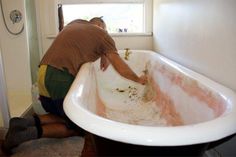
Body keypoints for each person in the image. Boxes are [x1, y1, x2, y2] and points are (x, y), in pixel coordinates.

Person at [2, 17, 147, 154]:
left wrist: (104, 53)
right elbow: (120, 66)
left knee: (61, 114)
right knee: (76, 127)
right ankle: (24, 135)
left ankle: (22, 122)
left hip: (43, 73)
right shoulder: (103, 35)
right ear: (103, 28)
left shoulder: (75, 23)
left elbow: (79, 46)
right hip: (60, 77)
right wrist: (138, 79)